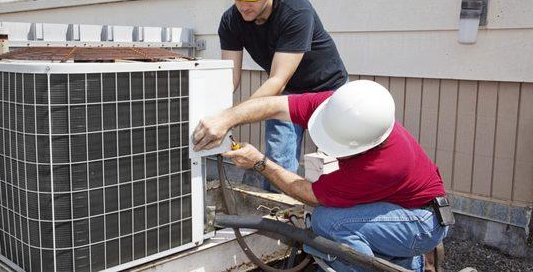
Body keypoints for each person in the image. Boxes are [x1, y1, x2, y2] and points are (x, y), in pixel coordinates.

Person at [192, 80, 449, 272]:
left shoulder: (380, 165)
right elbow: (273, 105)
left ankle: (397, 258)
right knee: (333, 227)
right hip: (402, 207)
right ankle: (407, 264)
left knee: (329, 223)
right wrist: (226, 119)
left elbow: (310, 195)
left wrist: (260, 162)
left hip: (422, 223)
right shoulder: (340, 107)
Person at [218, 0, 348, 189]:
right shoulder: (231, 21)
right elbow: (229, 79)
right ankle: (278, 220)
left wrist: (231, 118)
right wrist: (215, 115)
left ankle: (334, 220)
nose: (244, 5)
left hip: (329, 91)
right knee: (277, 162)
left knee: (338, 162)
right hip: (287, 94)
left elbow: (278, 79)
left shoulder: (296, 10)